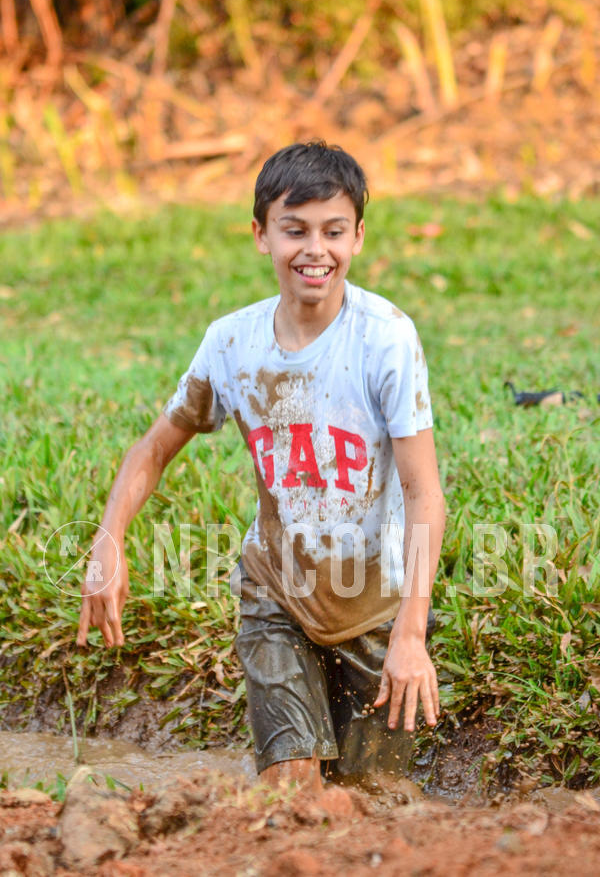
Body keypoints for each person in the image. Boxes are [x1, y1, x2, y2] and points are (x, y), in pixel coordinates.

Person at [77, 141, 446, 796]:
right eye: (294, 230)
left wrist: (411, 635)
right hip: (275, 594)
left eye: (333, 231)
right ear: (261, 235)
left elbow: (424, 494)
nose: (315, 250)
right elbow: (152, 449)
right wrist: (110, 539)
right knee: (293, 795)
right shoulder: (232, 344)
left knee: (376, 796)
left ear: (358, 237)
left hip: (377, 607)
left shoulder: (386, 338)